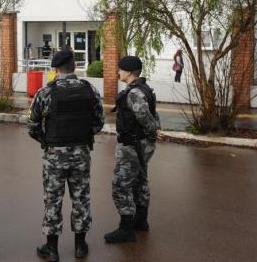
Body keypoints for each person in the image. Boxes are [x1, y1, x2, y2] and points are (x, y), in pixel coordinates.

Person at [28, 50, 104, 261]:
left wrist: (46, 141)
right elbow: (99, 121)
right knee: (81, 198)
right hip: (81, 153)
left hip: (54, 155)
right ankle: (80, 246)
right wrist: (84, 136)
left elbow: (32, 125)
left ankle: (51, 249)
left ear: (55, 69)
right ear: (74, 67)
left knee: (53, 199)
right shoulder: (90, 90)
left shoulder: (45, 92)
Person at [104, 56, 160, 244]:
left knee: (121, 185)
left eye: (120, 69)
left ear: (128, 72)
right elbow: (154, 114)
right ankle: (141, 221)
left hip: (132, 145)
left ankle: (126, 229)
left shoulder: (134, 92)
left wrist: (153, 131)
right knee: (140, 180)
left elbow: (145, 116)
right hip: (142, 143)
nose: (118, 72)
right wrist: (152, 135)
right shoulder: (144, 89)